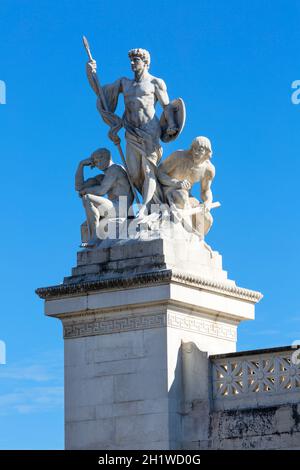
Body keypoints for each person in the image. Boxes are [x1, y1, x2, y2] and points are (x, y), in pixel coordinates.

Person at [86, 48, 179, 216]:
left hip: (150, 132)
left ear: (145, 63)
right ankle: (152, 205)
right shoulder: (124, 83)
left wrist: (172, 124)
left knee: (148, 170)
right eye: (131, 60)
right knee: (135, 174)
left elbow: (167, 106)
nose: (132, 63)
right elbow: (102, 93)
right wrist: (91, 73)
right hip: (131, 132)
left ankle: (145, 208)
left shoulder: (155, 83)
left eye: (136, 60)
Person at [157, 136, 216, 237]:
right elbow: (159, 172)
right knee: (182, 196)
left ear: (207, 152)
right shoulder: (179, 156)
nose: (196, 152)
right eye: (194, 148)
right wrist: (176, 183)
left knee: (207, 219)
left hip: (187, 195)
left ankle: (196, 240)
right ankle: (185, 235)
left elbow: (206, 191)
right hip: (168, 189)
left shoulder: (208, 170)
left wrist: (207, 202)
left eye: (200, 150)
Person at [75, 148, 133, 246]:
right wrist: (81, 165)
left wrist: (86, 191)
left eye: (97, 161)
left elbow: (102, 190)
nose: (96, 165)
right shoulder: (102, 177)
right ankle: (94, 237)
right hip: (113, 207)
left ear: (105, 157)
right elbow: (79, 187)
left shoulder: (115, 169)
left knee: (88, 198)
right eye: (94, 162)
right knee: (87, 203)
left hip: (122, 207)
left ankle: (95, 238)